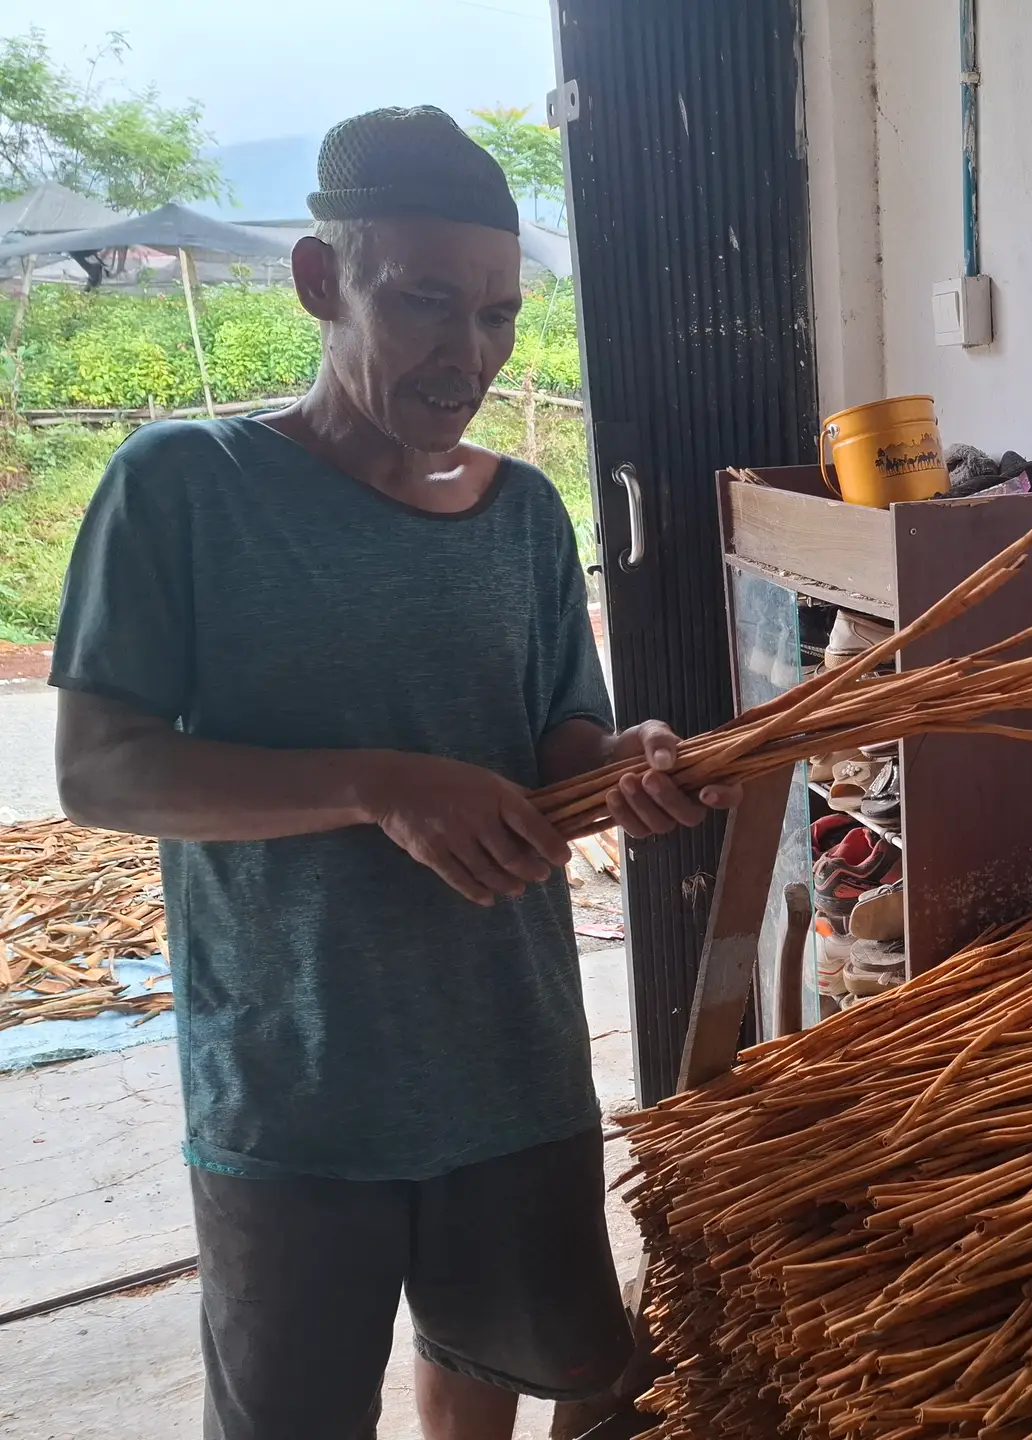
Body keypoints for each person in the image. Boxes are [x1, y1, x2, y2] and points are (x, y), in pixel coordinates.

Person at [49, 106, 734, 1440]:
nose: (465, 352)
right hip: (296, 1084)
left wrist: (631, 766)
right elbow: (101, 769)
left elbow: (558, 753)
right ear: (320, 281)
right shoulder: (184, 486)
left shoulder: (522, 511)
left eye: (497, 317)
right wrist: (377, 784)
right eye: (425, 301)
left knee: (527, 1374)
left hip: (508, 1062)